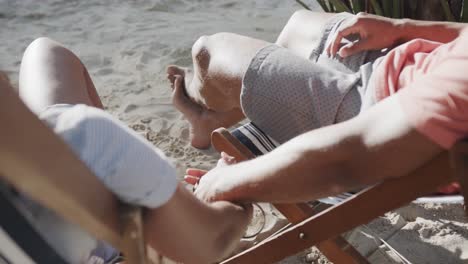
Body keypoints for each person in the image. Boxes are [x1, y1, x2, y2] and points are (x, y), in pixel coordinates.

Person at [166, 10, 467, 202]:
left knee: (208, 50)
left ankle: (205, 104)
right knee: (298, 24)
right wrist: (401, 27)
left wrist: (223, 182)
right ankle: (214, 114)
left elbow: (347, 159)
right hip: (414, 65)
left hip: (364, 110)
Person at [8, 37, 252, 264]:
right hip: (98, 246)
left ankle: (198, 129)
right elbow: (213, 240)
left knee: (46, 52)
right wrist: (232, 187)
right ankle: (143, 199)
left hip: (28, 234)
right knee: (46, 54)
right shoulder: (89, 136)